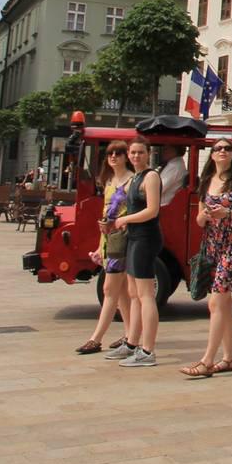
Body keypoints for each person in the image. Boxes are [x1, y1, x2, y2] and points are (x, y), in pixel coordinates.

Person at [183, 140, 232, 378]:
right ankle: (229, 358)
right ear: (212, 155)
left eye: (227, 148)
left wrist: (228, 213)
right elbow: (198, 219)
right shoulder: (206, 181)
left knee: (216, 302)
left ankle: (207, 361)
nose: (223, 151)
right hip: (212, 244)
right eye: (218, 148)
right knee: (224, 304)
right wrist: (205, 216)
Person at [77, 143, 133, 356]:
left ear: (126, 157)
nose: (113, 157)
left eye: (118, 153)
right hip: (110, 238)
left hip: (122, 240)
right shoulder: (109, 180)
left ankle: (96, 338)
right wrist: (100, 246)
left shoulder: (131, 180)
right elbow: (105, 214)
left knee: (110, 289)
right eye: (110, 153)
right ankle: (130, 334)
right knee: (121, 291)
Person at [111, 138, 163, 367]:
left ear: (148, 153)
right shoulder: (135, 178)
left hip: (145, 238)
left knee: (146, 295)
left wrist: (125, 219)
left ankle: (148, 350)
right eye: (132, 152)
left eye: (140, 152)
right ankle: (132, 343)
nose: (135, 156)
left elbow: (152, 210)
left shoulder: (151, 177)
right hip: (134, 237)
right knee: (133, 293)